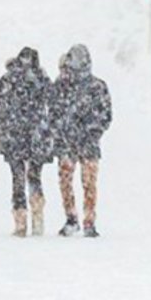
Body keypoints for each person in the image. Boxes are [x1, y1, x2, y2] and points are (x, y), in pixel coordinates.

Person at [49, 44, 112, 238]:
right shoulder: (93, 86)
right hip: (83, 144)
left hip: (76, 143)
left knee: (71, 182)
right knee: (86, 184)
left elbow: (105, 116)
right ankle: (84, 220)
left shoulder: (66, 86)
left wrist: (66, 131)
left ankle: (77, 219)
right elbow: (105, 115)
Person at [0, 47, 53, 237]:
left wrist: (6, 123)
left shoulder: (8, 79)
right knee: (35, 176)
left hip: (14, 136)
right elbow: (53, 105)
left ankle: (20, 223)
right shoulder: (42, 80)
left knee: (17, 179)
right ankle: (37, 218)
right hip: (37, 137)